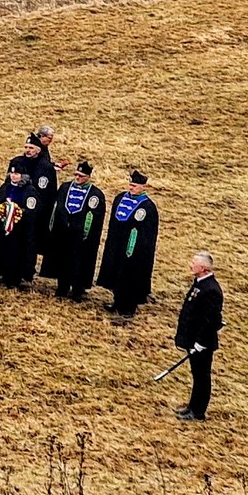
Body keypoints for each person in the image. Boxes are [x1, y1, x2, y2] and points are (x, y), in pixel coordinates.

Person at [98, 170, 161, 316]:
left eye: (135, 186)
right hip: (117, 244)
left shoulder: (148, 207)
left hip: (134, 248)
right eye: (130, 185)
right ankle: (117, 301)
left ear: (143, 187)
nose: (131, 188)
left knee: (130, 276)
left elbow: (148, 233)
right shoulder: (120, 198)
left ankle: (129, 307)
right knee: (117, 273)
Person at [46, 161, 107, 301]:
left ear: (88, 177)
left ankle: (77, 289)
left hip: (80, 236)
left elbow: (94, 217)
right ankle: (62, 286)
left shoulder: (95, 194)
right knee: (63, 260)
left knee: (79, 262)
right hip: (63, 232)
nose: (77, 178)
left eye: (81, 176)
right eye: (76, 174)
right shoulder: (65, 187)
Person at [173, 253, 224, 420]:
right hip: (194, 339)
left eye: (193, 263)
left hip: (202, 342)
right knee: (197, 375)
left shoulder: (211, 290)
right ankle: (192, 406)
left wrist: (200, 342)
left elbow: (210, 320)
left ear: (203, 268)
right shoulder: (200, 284)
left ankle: (198, 411)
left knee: (202, 377)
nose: (190, 265)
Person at [0, 167, 40, 288]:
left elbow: (32, 210)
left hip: (20, 230)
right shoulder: (5, 187)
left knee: (17, 252)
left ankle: (16, 277)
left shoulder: (29, 190)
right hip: (4, 227)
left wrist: (17, 213)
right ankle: (4, 273)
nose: (13, 176)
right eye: (12, 173)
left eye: (16, 173)